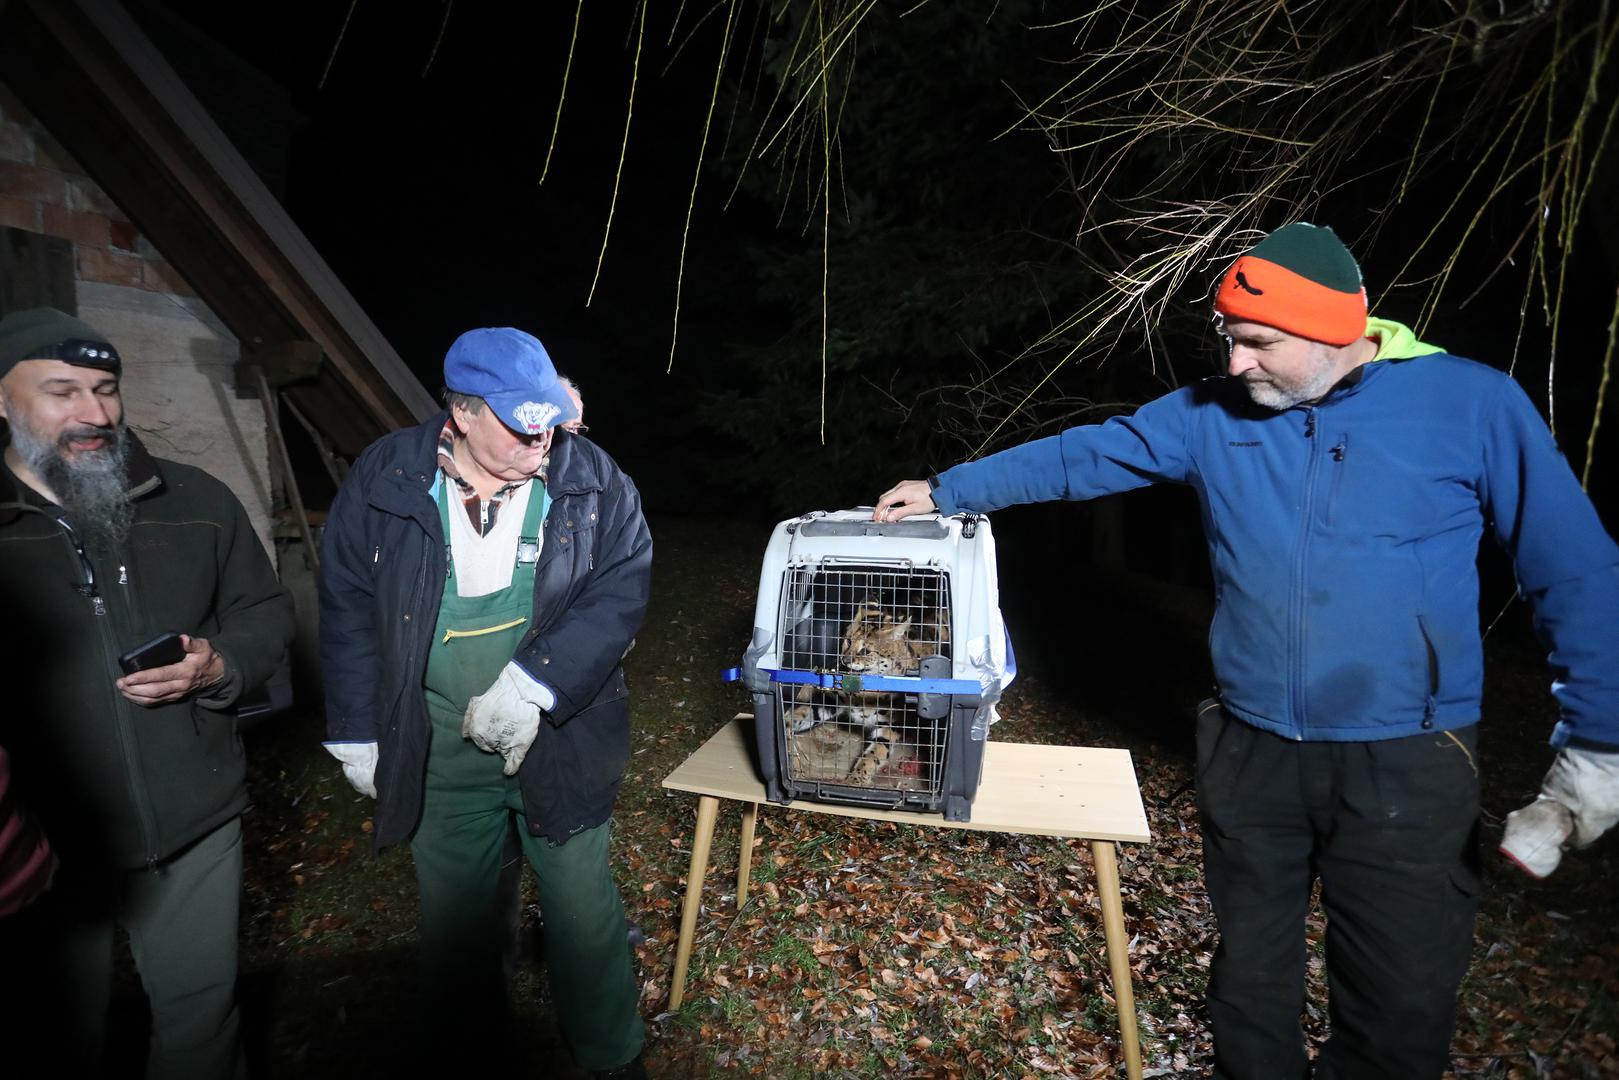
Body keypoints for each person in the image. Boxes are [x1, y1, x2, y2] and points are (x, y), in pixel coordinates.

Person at [873, 223, 1619, 1080]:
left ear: (1333, 331)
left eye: (1257, 342)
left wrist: (1595, 740)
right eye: (1230, 341)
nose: (1234, 364)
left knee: (1399, 1002)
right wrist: (951, 490)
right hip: (1249, 746)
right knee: (1249, 980)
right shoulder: (1208, 416)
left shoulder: (1470, 404)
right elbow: (1087, 454)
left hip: (1405, 759)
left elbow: (1574, 567)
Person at [319, 327, 650, 1078]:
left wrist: (534, 685)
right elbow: (346, 604)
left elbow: (619, 592)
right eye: (517, 422)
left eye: (548, 420)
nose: (541, 439)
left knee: (580, 907)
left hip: (562, 733)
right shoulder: (386, 479)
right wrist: (356, 724)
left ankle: (610, 1055)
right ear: (462, 413)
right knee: (458, 920)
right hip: (436, 740)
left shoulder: (590, 477)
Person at [0, 307, 296, 1077]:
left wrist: (219, 666)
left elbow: (264, 612)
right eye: (61, 391)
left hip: (196, 821)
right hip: (45, 846)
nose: (93, 413)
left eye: (105, 388)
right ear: (2, 400)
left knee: (202, 1026)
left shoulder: (194, 500)